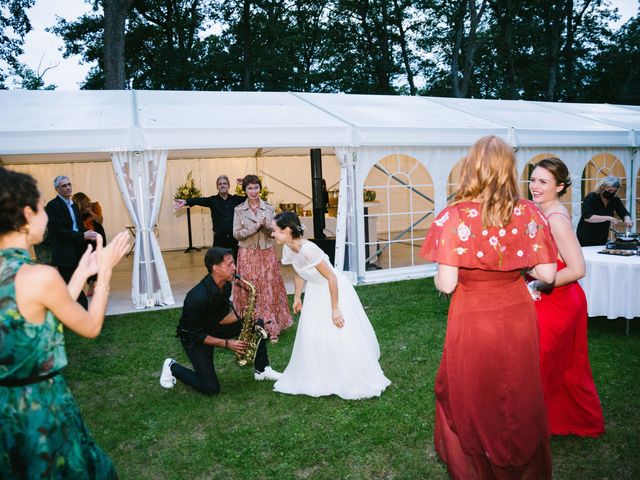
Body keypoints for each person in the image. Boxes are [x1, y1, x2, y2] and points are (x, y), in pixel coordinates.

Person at [420, 136, 558, 479]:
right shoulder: (529, 212)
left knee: (473, 393)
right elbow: (548, 274)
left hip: (472, 316)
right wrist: (514, 256)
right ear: (509, 169)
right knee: (517, 389)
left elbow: (447, 284)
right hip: (516, 313)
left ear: (471, 169)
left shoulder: (452, 218)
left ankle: (478, 463)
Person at [0, 167, 130, 479]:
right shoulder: (39, 276)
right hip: (40, 409)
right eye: (42, 207)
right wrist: (105, 271)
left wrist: (82, 274)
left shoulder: (19, 276)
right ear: (28, 214)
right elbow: (89, 325)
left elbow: (39, 317)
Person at [270, 212, 390, 399]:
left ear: (287, 230)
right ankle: (320, 373)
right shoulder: (288, 247)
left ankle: (348, 373)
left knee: (339, 333)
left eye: (275, 231)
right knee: (313, 332)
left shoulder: (309, 250)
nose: (273, 234)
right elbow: (299, 272)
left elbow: (331, 277)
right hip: (314, 293)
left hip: (332, 290)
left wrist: (335, 308)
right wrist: (297, 297)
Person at [528, 158, 605, 437]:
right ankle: (551, 419)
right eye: (533, 180)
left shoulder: (556, 219)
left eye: (543, 182)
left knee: (546, 363)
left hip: (558, 301)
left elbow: (577, 269)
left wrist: (535, 284)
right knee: (554, 365)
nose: (535, 186)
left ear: (560, 186)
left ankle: (550, 422)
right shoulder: (541, 211)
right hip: (549, 298)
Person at [159, 247, 282, 394]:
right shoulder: (196, 298)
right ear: (215, 268)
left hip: (213, 327)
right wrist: (227, 344)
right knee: (210, 388)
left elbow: (222, 318)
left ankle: (262, 370)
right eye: (230, 264)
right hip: (194, 338)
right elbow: (197, 335)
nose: (234, 268)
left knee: (257, 323)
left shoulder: (225, 285)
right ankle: (172, 366)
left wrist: (243, 315)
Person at [232, 175, 292, 343]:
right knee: (250, 289)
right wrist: (254, 227)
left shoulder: (269, 208)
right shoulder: (239, 209)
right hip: (247, 254)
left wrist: (265, 226)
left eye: (256, 187)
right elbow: (236, 233)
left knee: (268, 289)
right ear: (244, 190)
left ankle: (272, 328)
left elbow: (274, 233)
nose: (253, 191)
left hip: (266, 253)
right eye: (249, 188)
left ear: (260, 188)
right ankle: (249, 327)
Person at [45, 175, 97, 309]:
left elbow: (78, 226)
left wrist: (88, 233)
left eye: (69, 184)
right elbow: (58, 231)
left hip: (78, 251)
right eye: (64, 186)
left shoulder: (74, 205)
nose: (68, 187)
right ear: (57, 189)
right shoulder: (52, 206)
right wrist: (82, 236)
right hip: (64, 253)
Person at [174, 175, 245, 258]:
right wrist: (186, 201)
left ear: (229, 186)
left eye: (225, 183)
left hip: (234, 239)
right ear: (217, 187)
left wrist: (244, 184)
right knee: (218, 262)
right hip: (219, 239)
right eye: (220, 184)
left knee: (235, 262)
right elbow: (199, 200)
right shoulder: (213, 200)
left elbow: (249, 198)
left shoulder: (235, 199)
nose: (222, 185)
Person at [576, 175, 633, 246]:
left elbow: (624, 213)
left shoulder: (614, 200)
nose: (612, 193)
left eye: (614, 191)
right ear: (602, 188)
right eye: (609, 190)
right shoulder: (591, 198)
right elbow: (588, 217)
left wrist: (627, 219)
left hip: (602, 237)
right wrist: (609, 218)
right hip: (585, 237)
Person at [72, 192, 107, 297]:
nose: (85, 205)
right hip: (85, 237)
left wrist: (90, 211)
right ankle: (91, 284)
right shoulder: (77, 210)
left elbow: (100, 221)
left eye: (85, 202)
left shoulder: (95, 206)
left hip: (97, 236)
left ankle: (98, 283)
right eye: (82, 203)